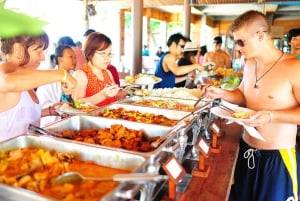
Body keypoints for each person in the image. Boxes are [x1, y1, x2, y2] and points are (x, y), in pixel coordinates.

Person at [205, 10, 300, 201]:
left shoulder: (293, 67)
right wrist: (221, 93)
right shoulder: (249, 64)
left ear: (260, 35)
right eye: (235, 42)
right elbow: (243, 96)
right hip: (246, 149)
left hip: (277, 159)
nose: (237, 48)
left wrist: (271, 116)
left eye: (241, 42)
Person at [0, 32, 77, 142]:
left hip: (28, 152)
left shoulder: (26, 77)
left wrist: (49, 111)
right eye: (38, 51)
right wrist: (62, 74)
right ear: (18, 50)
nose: (43, 58)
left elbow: (18, 115)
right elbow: (10, 83)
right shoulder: (4, 73)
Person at [72, 32, 127, 107]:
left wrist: (123, 92)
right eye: (103, 53)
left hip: (109, 116)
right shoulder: (81, 74)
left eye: (109, 53)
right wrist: (102, 95)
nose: (107, 58)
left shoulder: (107, 72)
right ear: (90, 53)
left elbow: (114, 97)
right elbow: (76, 104)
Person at [36, 45, 77, 127]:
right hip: (52, 123)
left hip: (73, 121)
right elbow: (42, 104)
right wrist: (60, 108)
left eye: (75, 57)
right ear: (60, 59)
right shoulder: (48, 78)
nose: (74, 60)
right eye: (70, 57)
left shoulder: (75, 76)